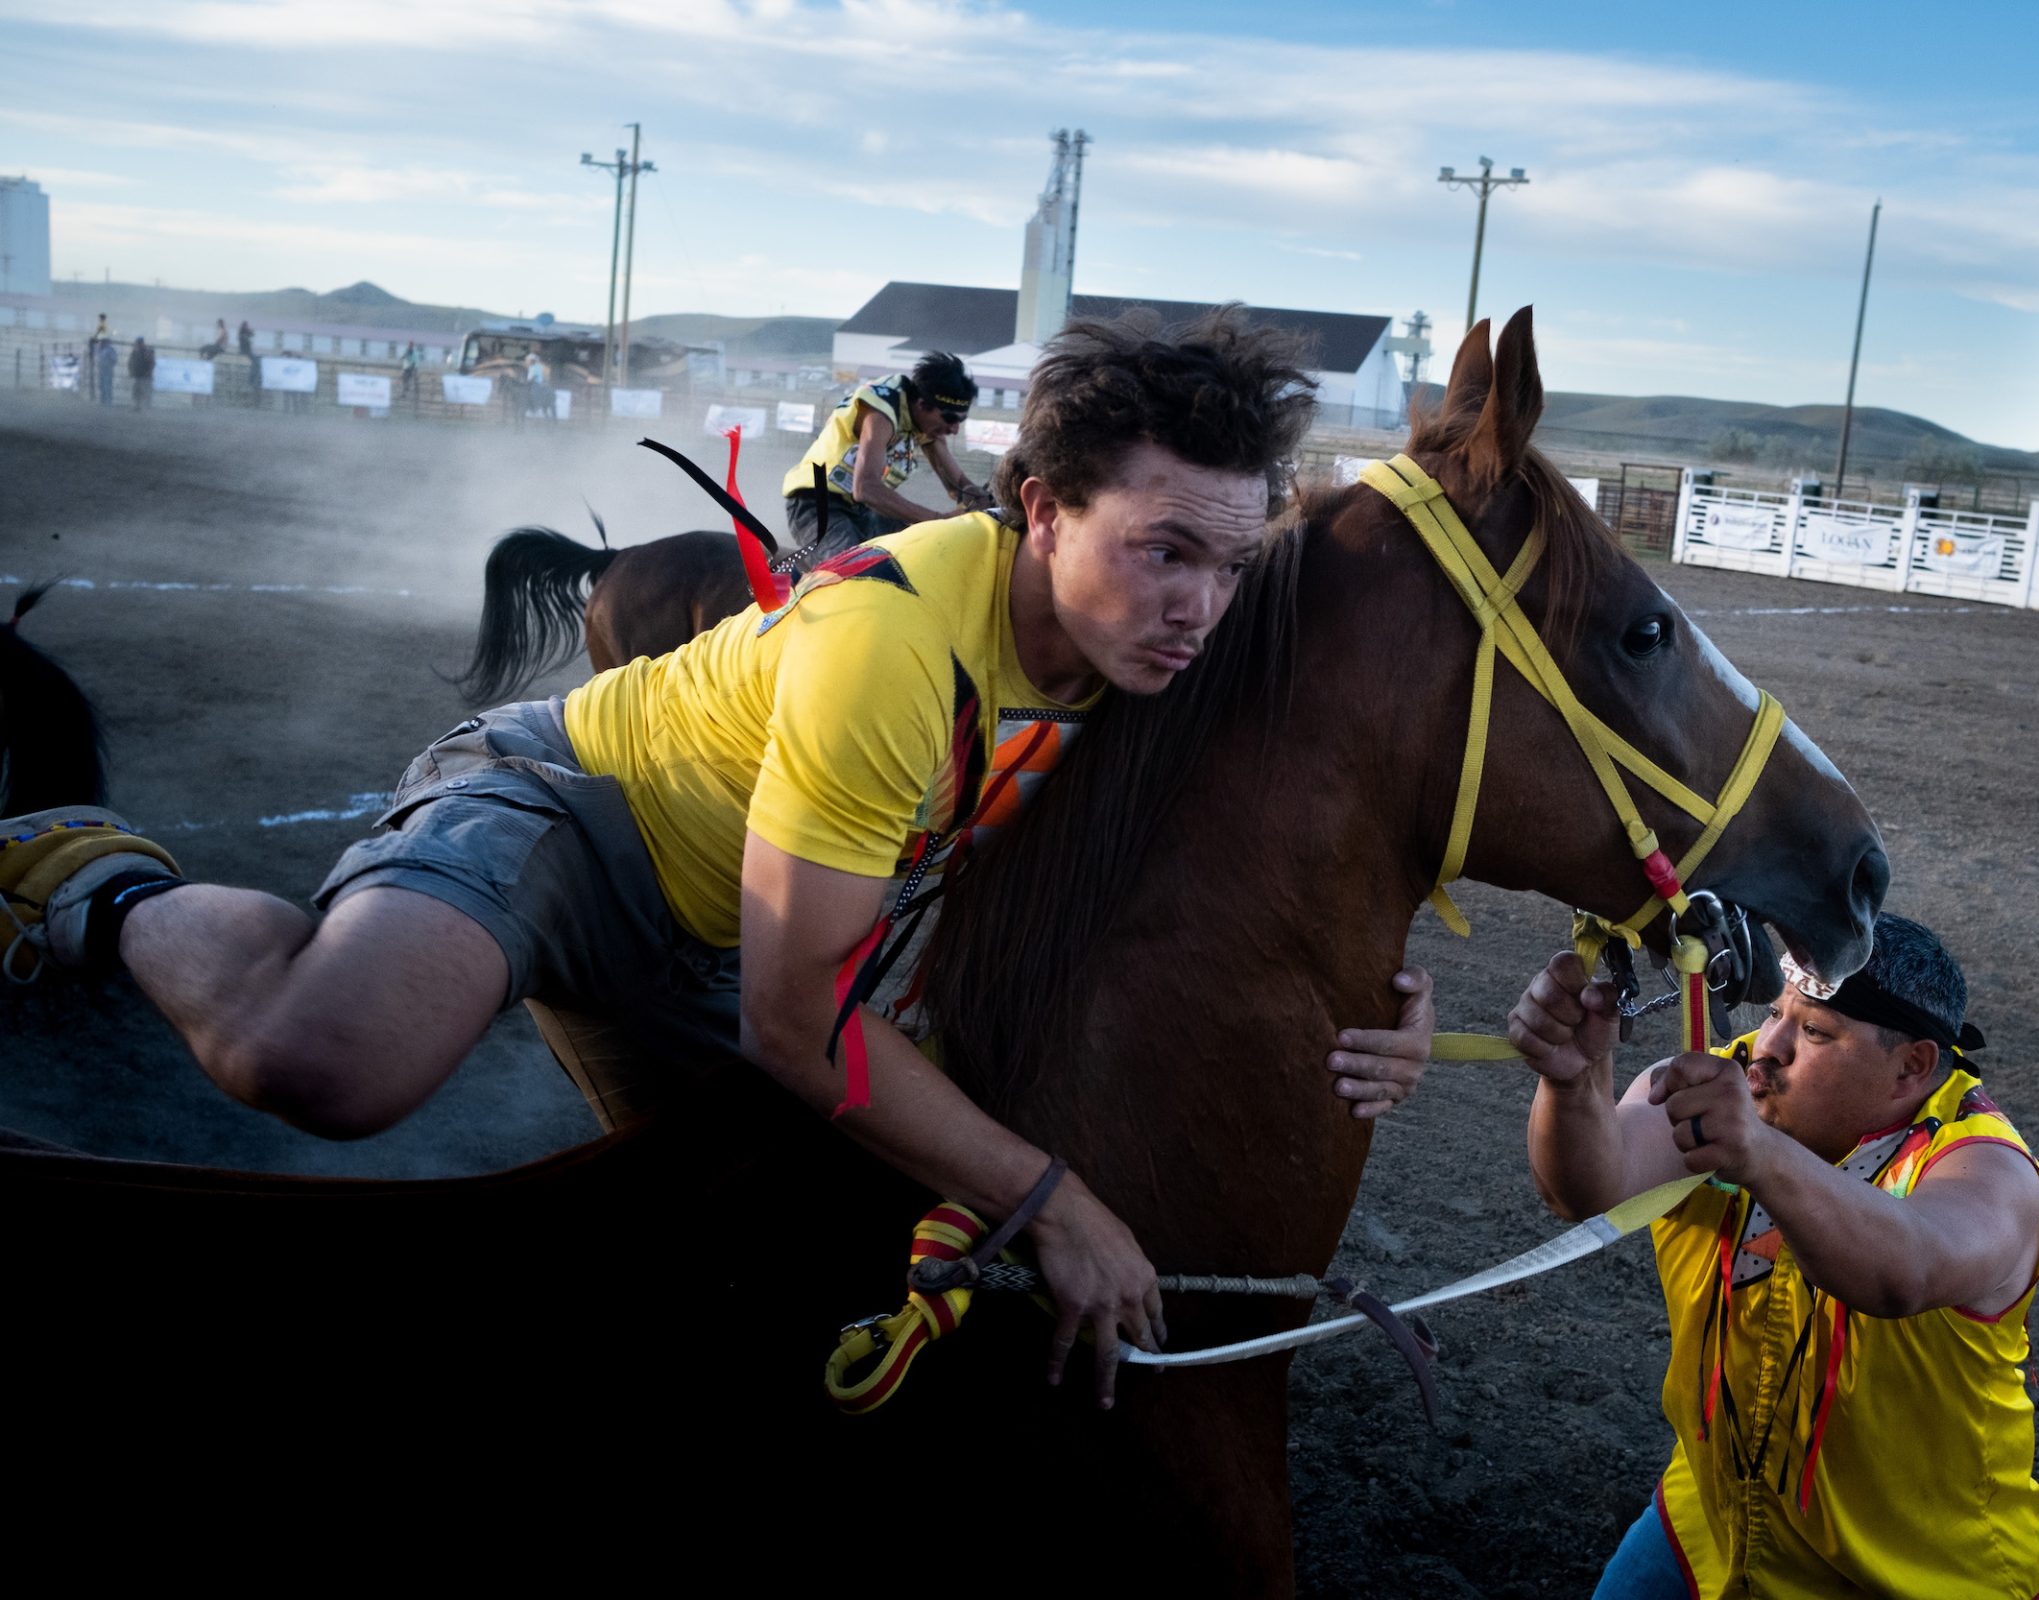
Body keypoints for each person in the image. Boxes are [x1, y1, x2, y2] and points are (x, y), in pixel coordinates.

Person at [0, 309, 1436, 1403]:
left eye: (1231, 562)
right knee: (326, 1062)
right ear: (1045, 512)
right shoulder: (892, 645)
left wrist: (1377, 1012)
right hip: (572, 813)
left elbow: (1267, 864)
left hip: (730, 936)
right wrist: (1048, 1196)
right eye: (1164, 550)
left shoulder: (1149, 655)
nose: (1200, 604)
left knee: (752, 1252)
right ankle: (94, 880)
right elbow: (796, 1027)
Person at [1508, 913, 2039, 1599]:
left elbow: (1906, 1271)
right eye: (1776, 1012)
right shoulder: (1734, 1090)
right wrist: (1572, 1087)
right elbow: (1588, 1186)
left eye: (1813, 1032)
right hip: (1712, 1533)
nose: (1766, 1048)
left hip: (1923, 1576)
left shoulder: (1988, 1170)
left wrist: (1758, 1153)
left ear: (1911, 1067)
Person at [782, 351, 991, 560]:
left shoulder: (927, 424)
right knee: (853, 570)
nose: (954, 429)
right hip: (818, 502)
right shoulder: (881, 413)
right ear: (921, 404)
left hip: (863, 510)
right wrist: (937, 519)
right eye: (949, 418)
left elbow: (961, 486)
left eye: (959, 421)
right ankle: (784, 572)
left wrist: (986, 501)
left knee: (922, 556)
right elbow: (866, 489)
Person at [128, 336, 155, 410]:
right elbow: (130, 362)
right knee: (136, 391)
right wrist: (131, 371)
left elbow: (151, 363)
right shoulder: (135, 352)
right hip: (138, 375)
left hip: (144, 376)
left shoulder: (146, 352)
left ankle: (144, 406)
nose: (138, 345)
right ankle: (137, 406)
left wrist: (148, 372)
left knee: (143, 392)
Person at [93, 334, 117, 407]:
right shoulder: (100, 349)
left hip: (107, 369)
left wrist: (109, 365)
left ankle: (108, 401)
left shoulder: (110, 349)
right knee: (102, 385)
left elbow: (114, 359)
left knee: (107, 385)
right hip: (101, 369)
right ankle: (103, 400)